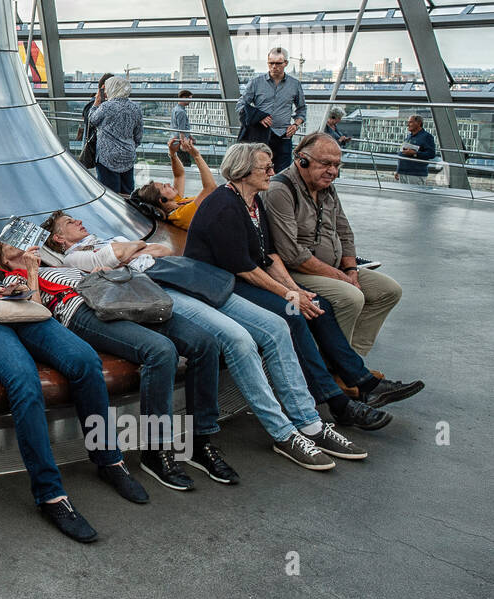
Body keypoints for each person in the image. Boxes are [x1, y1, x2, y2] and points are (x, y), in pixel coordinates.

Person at [44, 211, 359, 474]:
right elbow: (114, 256)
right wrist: (134, 248)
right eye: (70, 222)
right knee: (236, 339)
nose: (80, 222)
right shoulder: (75, 255)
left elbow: (162, 250)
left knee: (277, 327)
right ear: (59, 238)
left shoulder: (103, 240)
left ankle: (309, 422)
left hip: (181, 276)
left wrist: (131, 251)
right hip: (159, 287)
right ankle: (283, 432)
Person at [0, 226, 148, 544]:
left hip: (19, 311)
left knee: (85, 361)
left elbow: (30, 299)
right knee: (23, 380)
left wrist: (19, 285)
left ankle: (109, 459)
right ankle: (50, 494)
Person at [184, 143, 400, 433]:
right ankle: (337, 402)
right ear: (243, 171)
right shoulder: (224, 205)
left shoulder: (253, 202)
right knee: (293, 313)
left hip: (241, 280)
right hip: (219, 287)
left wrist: (295, 288)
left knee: (318, 305)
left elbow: (269, 255)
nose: (273, 172)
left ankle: (362, 381)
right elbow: (245, 268)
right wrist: (289, 295)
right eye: (266, 168)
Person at [0, 238, 229, 493]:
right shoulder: (12, 279)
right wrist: (31, 270)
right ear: (1, 258)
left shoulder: (58, 265)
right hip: (81, 311)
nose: (16, 241)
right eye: (5, 243)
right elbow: (36, 313)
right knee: (161, 351)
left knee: (205, 343)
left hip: (121, 297)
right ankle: (156, 449)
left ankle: (201, 438)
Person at [265, 135, 421, 408]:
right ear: (301, 159)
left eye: (337, 165)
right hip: (296, 272)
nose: (333, 171)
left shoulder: (326, 187)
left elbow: (345, 230)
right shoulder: (281, 189)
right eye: (326, 163)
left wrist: (350, 268)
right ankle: (346, 375)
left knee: (387, 291)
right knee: (350, 296)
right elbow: (291, 254)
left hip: (334, 267)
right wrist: (341, 277)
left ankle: (348, 368)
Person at [236, 47, 306, 172]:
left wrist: (295, 125)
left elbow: (301, 109)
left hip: (283, 135)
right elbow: (241, 105)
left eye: (278, 63)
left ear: (286, 63)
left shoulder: (295, 84)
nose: (274, 66)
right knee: (259, 170)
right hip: (260, 135)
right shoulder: (256, 82)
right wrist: (258, 116)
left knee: (282, 173)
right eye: (271, 63)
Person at [132, 137, 218, 230]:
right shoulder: (181, 215)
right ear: (162, 200)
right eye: (164, 187)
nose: (169, 184)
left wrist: (172, 154)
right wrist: (196, 155)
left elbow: (179, 175)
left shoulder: (175, 203)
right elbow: (211, 188)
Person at [88, 74, 142, 194]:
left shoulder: (106, 106)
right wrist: (129, 147)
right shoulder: (136, 108)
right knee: (127, 193)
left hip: (107, 157)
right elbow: (138, 136)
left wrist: (96, 104)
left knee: (109, 194)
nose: (105, 92)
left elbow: (92, 120)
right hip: (128, 156)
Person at [396, 114, 436, 185]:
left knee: (414, 195)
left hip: (415, 174)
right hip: (403, 172)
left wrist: (415, 153)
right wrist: (398, 170)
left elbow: (431, 154)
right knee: (403, 195)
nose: (408, 124)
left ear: (419, 123)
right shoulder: (409, 136)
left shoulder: (427, 136)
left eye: (410, 122)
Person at [171, 89, 194, 167]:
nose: (190, 101)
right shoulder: (181, 112)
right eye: (189, 99)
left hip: (176, 140)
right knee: (186, 163)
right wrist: (183, 144)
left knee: (181, 163)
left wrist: (190, 136)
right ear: (184, 97)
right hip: (181, 141)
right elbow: (181, 130)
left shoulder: (175, 109)